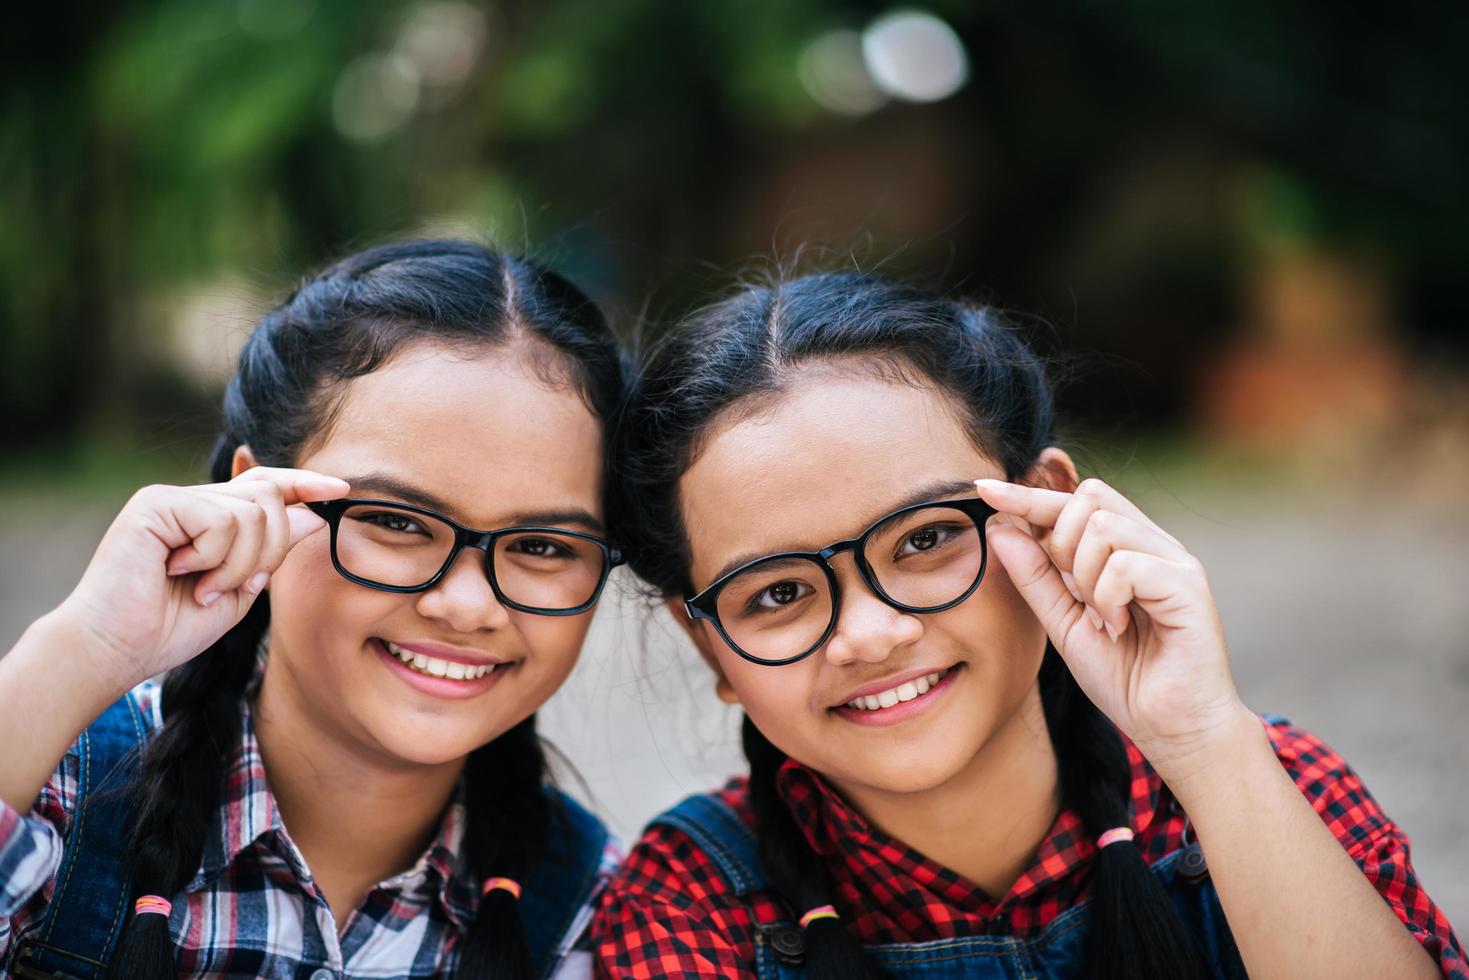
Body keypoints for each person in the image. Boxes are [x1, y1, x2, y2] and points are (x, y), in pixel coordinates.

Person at [594, 271, 1465, 978]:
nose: (869, 632)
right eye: (776, 594)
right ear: (704, 636)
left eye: (926, 539)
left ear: (1046, 511)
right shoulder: (687, 900)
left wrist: (1202, 741)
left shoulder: (1266, 789)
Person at [0, 240, 625, 979]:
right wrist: (85, 646)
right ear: (252, 495)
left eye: (544, 546)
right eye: (395, 521)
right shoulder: (58, 789)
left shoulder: (587, 904)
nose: (466, 605)